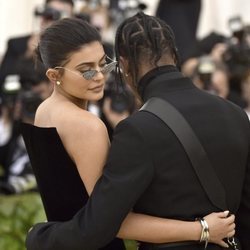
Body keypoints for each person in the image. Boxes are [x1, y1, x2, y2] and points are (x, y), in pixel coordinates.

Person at [21, 17, 237, 250]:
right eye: (86, 71)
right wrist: (202, 229)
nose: (100, 76)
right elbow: (110, 221)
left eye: (103, 64)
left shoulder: (44, 111)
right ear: (54, 76)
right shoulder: (88, 126)